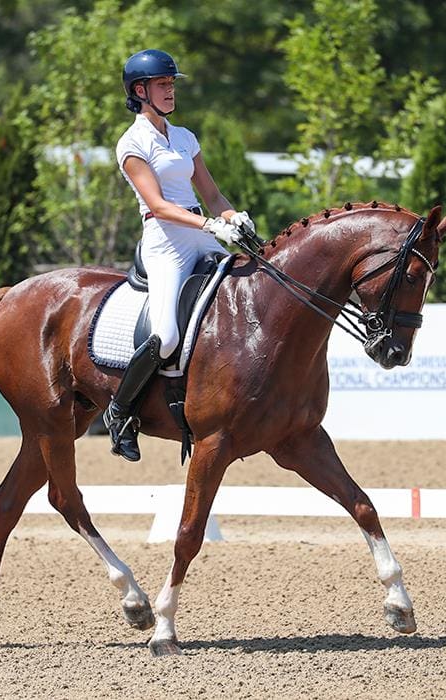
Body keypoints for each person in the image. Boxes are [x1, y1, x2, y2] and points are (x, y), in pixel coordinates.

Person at [104, 48, 256, 462]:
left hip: (200, 232)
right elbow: (157, 204)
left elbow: (210, 193)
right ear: (141, 91)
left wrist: (232, 215)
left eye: (172, 84)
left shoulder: (185, 137)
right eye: (162, 85)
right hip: (165, 240)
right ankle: (120, 413)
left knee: (248, 288)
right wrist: (210, 225)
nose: (170, 91)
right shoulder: (132, 143)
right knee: (166, 335)